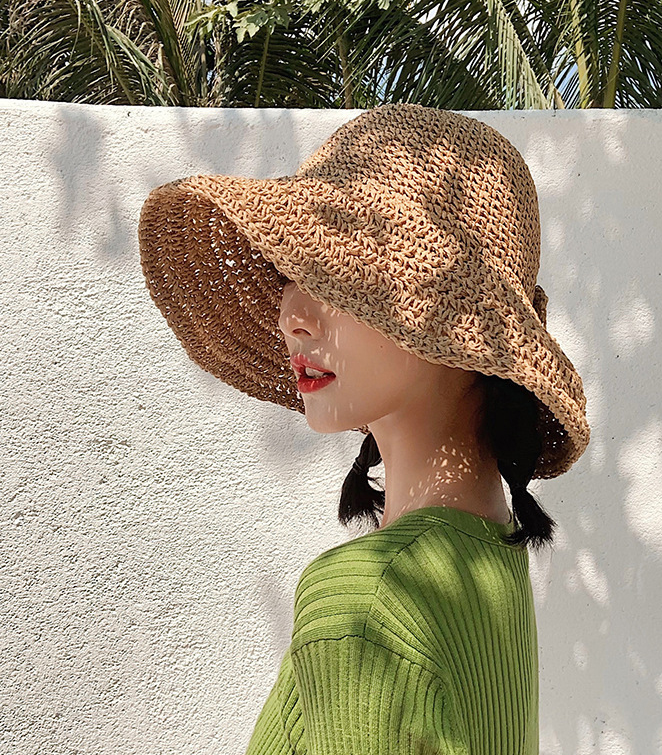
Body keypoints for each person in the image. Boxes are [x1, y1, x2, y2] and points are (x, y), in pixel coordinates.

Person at [138, 103, 590, 754]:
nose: (291, 315)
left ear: (444, 316)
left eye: (335, 276)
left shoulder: (370, 604)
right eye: (290, 273)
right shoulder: (487, 556)